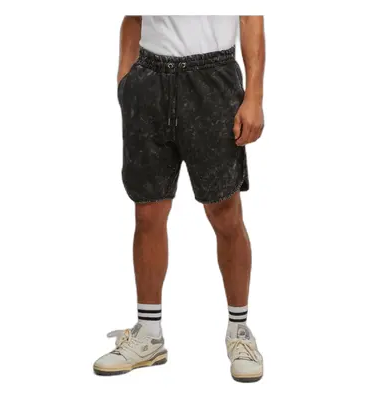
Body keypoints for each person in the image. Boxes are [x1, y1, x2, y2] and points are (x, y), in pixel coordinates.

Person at [93, 16, 265, 383]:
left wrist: (254, 96)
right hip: (149, 80)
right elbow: (133, 15)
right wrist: (126, 79)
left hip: (213, 80)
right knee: (147, 213)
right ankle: (149, 334)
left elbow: (251, 16)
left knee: (225, 213)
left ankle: (239, 331)